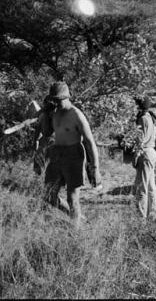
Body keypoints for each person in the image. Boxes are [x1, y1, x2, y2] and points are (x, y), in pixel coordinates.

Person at [44, 81, 101, 228]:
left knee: (72, 197)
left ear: (67, 97)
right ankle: (76, 217)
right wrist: (45, 114)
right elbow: (47, 132)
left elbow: (90, 142)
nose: (57, 103)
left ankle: (75, 231)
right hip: (57, 154)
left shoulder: (76, 115)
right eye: (55, 100)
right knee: (49, 195)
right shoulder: (54, 113)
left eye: (59, 99)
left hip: (74, 155)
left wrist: (95, 168)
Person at [133, 95, 156, 219]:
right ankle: (154, 215)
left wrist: (136, 155)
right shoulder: (150, 117)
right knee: (151, 187)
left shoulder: (142, 119)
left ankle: (141, 219)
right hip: (151, 152)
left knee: (142, 188)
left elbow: (140, 139)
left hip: (145, 153)